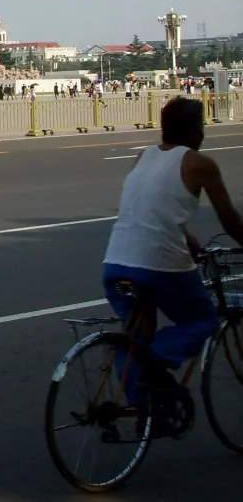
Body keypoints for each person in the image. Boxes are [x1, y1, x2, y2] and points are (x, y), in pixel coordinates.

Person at [102, 97, 243, 432]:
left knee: (136, 336)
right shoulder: (199, 163)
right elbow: (230, 220)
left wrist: (188, 238)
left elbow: (151, 210)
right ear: (193, 130)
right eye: (203, 126)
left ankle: (143, 406)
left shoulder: (143, 156)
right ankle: (157, 363)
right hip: (158, 265)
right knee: (203, 319)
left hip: (116, 262)